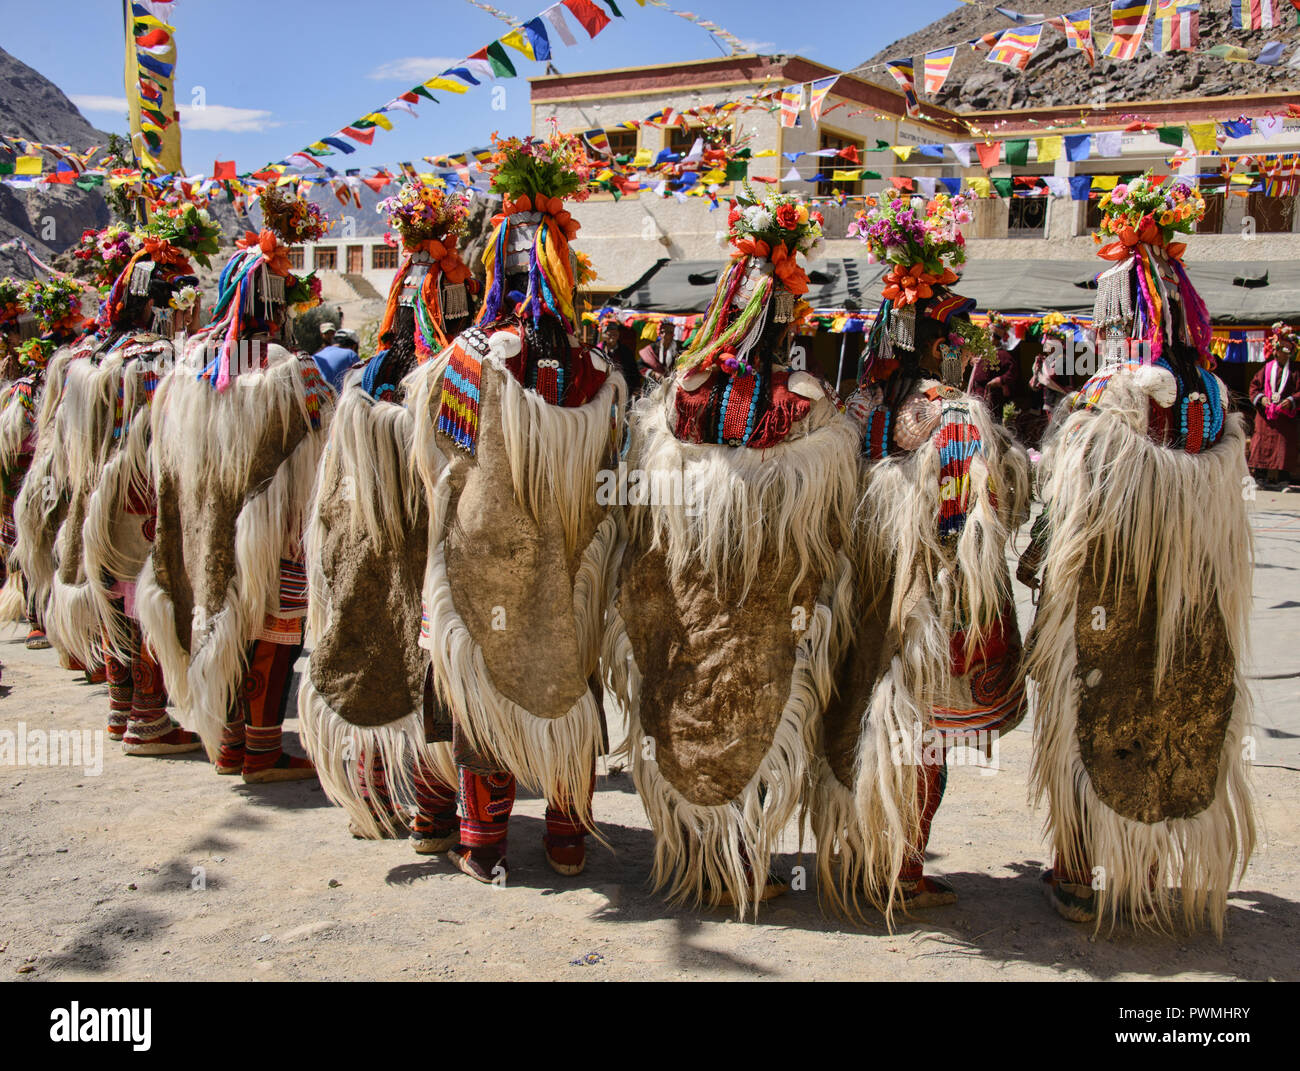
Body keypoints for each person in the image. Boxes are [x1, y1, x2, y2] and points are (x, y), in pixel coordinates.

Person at [603, 189, 857, 914]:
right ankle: (741, 861)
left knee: (686, 705)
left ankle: (693, 853)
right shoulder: (802, 401)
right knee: (754, 709)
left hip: (688, 601)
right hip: (762, 604)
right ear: (780, 311)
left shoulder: (678, 394)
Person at [1019, 173, 1255, 933]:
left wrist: (1042, 558)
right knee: (1168, 714)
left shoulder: (1104, 404)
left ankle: (1078, 871)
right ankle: (1145, 873)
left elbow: (1066, 509)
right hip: (1191, 601)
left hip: (1105, 597)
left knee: (1093, 710)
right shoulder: (1214, 405)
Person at [407, 130, 624, 883]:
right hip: (567, 572)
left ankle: (481, 841)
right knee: (568, 686)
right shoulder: (599, 372)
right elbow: (611, 478)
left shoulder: (461, 360)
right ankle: (566, 839)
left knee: (480, 690)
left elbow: (438, 465)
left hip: (485, 564)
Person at [813, 192, 1030, 923]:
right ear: (941, 337)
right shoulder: (957, 413)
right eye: (959, 333)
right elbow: (970, 527)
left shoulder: (861, 408)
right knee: (918, 734)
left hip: (858, 597)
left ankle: (851, 855)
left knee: (854, 721)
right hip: (922, 609)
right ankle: (900, 868)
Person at [137, 187, 336, 784]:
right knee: (272, 632)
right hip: (270, 535)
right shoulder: (287, 369)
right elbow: (322, 444)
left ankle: (223, 744)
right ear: (273, 303)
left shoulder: (185, 366)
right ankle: (261, 747)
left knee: (217, 616)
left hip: (206, 526)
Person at [299, 179, 475, 846]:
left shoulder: (367, 381)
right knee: (427, 673)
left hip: (376, 548)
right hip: (429, 556)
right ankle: (440, 814)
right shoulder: (453, 384)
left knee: (381, 659)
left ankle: (399, 807)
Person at [81, 208, 216, 754]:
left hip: (106, 496)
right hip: (144, 495)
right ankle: (148, 720)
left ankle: (122, 710)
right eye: (180, 302)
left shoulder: (98, 353)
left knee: (116, 593)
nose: (185, 316)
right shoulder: (157, 358)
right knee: (145, 598)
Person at [1248, 321, 1299, 489]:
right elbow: (1254, 387)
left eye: (1287, 350)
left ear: (1291, 352)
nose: (1283, 353)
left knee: (1284, 446)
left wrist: (1290, 401)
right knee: (1261, 444)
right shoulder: (1266, 369)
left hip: (1285, 417)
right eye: (1281, 349)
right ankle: (1260, 478)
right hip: (1265, 416)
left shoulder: (1295, 372)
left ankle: (1283, 480)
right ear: (1275, 351)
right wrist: (1262, 399)